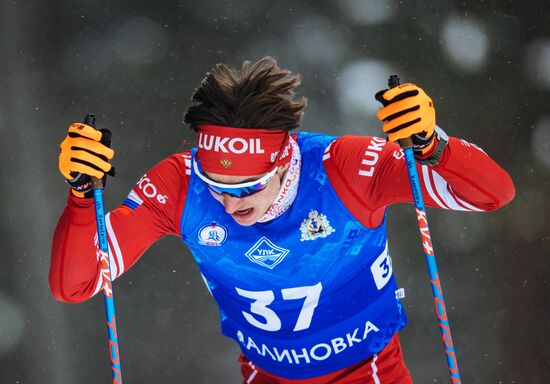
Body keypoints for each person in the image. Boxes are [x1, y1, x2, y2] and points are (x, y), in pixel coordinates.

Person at [50, 56, 515, 383]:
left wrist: (434, 147)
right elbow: (75, 284)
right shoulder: (179, 185)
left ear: (282, 161)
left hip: (366, 372)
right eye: (218, 187)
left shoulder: (344, 167)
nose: (231, 205)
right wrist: (80, 196)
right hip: (265, 375)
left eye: (248, 187)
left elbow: (493, 194)